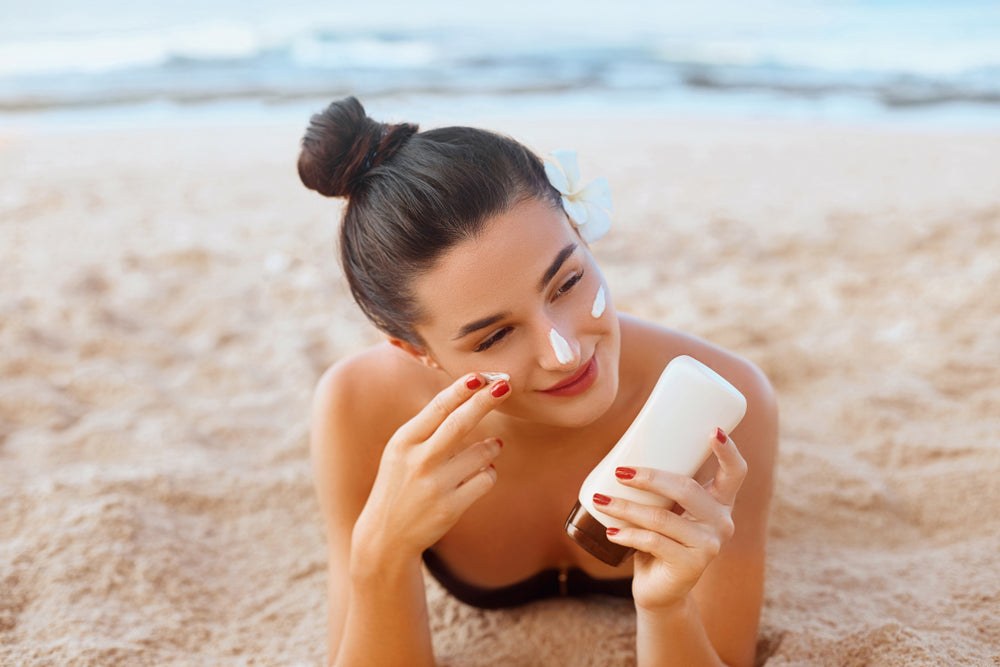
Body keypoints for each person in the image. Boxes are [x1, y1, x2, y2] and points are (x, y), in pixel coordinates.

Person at [298, 96, 778, 667]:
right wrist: (381, 557)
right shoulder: (360, 410)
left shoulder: (721, 404)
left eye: (567, 282)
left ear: (578, 227)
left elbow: (726, 656)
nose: (565, 352)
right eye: (494, 337)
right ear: (414, 351)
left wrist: (667, 611)